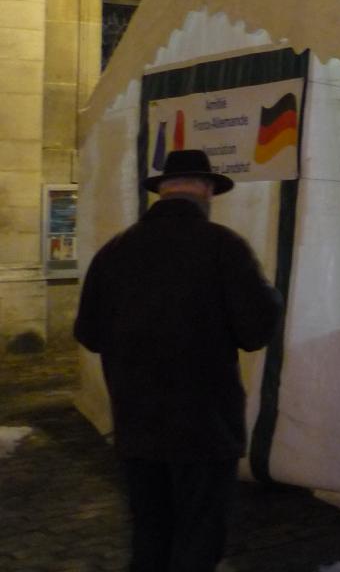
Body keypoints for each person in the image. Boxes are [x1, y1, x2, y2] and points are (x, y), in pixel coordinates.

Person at [73, 149, 283, 572]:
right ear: (206, 191)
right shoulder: (224, 247)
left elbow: (88, 334)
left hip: (137, 422)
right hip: (204, 425)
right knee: (200, 534)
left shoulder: (115, 250)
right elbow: (255, 330)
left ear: (162, 192)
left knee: (150, 531)